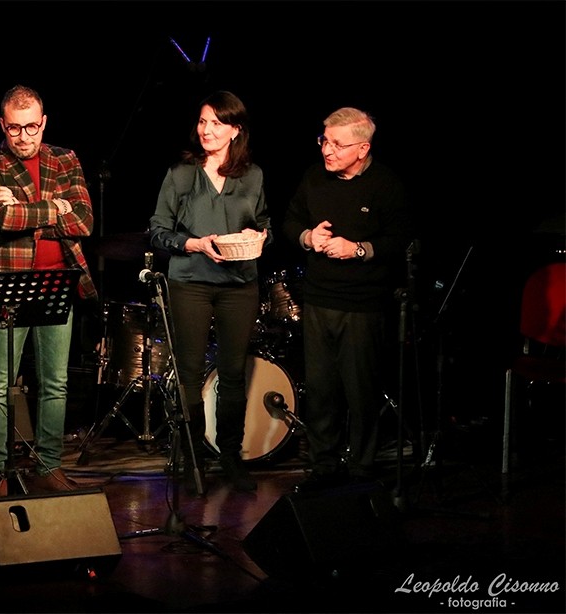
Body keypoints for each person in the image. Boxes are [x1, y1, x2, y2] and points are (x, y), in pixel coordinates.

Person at [0, 84, 98, 496]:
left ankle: (48, 465)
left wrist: (27, 212)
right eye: (14, 128)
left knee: (55, 383)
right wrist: (55, 207)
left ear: (43, 123)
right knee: (0, 384)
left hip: (57, 282)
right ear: (2, 125)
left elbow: (84, 221)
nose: (23, 137)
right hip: (7, 284)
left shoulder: (65, 159)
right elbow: (2, 217)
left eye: (31, 127)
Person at [282, 106, 413, 492]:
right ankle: (324, 464)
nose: (327, 150)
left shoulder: (386, 184)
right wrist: (308, 237)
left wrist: (357, 249)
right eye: (324, 141)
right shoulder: (314, 178)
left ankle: (362, 467)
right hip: (319, 299)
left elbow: (399, 239)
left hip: (363, 304)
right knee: (321, 390)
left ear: (362, 148)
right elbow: (290, 221)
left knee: (361, 392)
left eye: (337, 144)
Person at [148, 90, 272, 494]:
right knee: (189, 372)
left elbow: (264, 225)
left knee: (233, 372)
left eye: (217, 123)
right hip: (191, 282)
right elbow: (158, 230)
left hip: (239, 284)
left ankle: (230, 455)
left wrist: (260, 236)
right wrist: (194, 244)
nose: (207, 130)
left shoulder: (252, 175)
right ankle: (193, 458)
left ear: (235, 130)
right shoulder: (181, 174)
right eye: (203, 121)